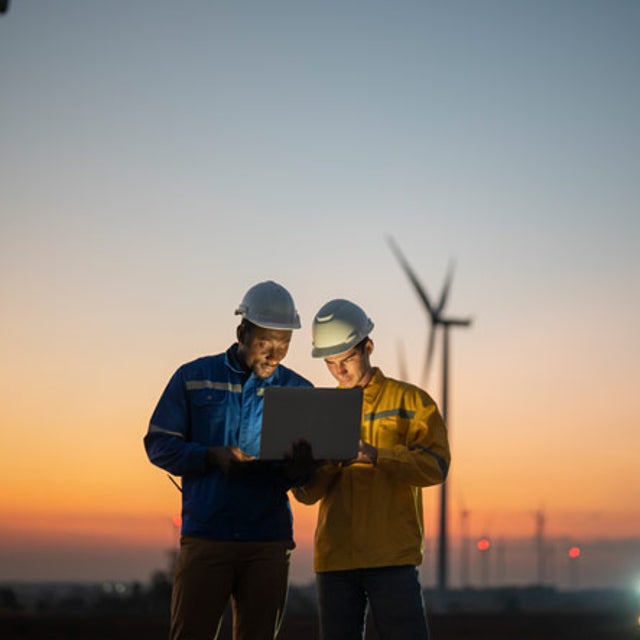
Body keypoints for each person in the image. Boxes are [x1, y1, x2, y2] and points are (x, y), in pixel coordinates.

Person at [144, 280, 313, 640]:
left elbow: (309, 478)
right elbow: (158, 444)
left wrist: (301, 473)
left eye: (284, 345)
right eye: (265, 343)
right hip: (207, 537)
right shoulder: (193, 378)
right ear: (242, 332)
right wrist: (209, 456)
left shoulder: (300, 393)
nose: (275, 355)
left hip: (268, 540)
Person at [292, 299, 450, 640]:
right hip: (335, 559)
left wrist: (377, 455)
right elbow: (307, 496)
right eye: (331, 363)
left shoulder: (411, 402)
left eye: (347, 359)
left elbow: (436, 467)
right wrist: (311, 469)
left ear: (368, 347)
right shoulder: (319, 412)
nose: (340, 371)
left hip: (391, 556)